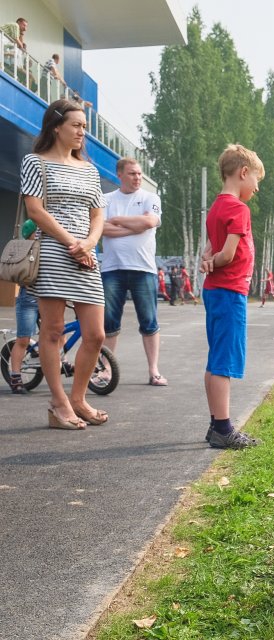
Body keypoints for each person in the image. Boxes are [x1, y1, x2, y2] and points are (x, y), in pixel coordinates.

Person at [21, 98, 107, 429]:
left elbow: (98, 213)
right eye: (76, 125)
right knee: (53, 330)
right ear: (56, 127)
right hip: (55, 254)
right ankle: (58, 404)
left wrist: (89, 243)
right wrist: (73, 242)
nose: (81, 132)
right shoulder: (35, 162)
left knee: (96, 334)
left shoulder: (89, 170)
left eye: (84, 126)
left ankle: (78, 398)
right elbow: (36, 211)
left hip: (86, 255)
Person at [199, 144, 265, 449]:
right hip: (229, 291)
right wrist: (213, 262)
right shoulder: (239, 209)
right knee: (224, 361)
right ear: (243, 173)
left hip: (216, 292)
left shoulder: (216, 207)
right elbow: (226, 253)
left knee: (216, 360)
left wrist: (208, 259)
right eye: (257, 181)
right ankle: (224, 428)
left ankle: (216, 425)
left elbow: (209, 249)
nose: (257, 188)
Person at [100, 156, 166, 387]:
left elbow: (149, 222)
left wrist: (117, 221)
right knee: (109, 322)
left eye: (139, 173)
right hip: (112, 269)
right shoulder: (105, 199)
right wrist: (133, 227)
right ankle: (107, 369)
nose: (137, 177)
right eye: (132, 174)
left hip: (143, 268)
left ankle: (154, 371)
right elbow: (100, 228)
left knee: (149, 321)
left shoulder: (150, 197)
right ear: (120, 174)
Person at [7, 285, 39, 394]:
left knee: (58, 332)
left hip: (52, 297)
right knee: (23, 339)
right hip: (29, 297)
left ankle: (63, 362)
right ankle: (15, 377)